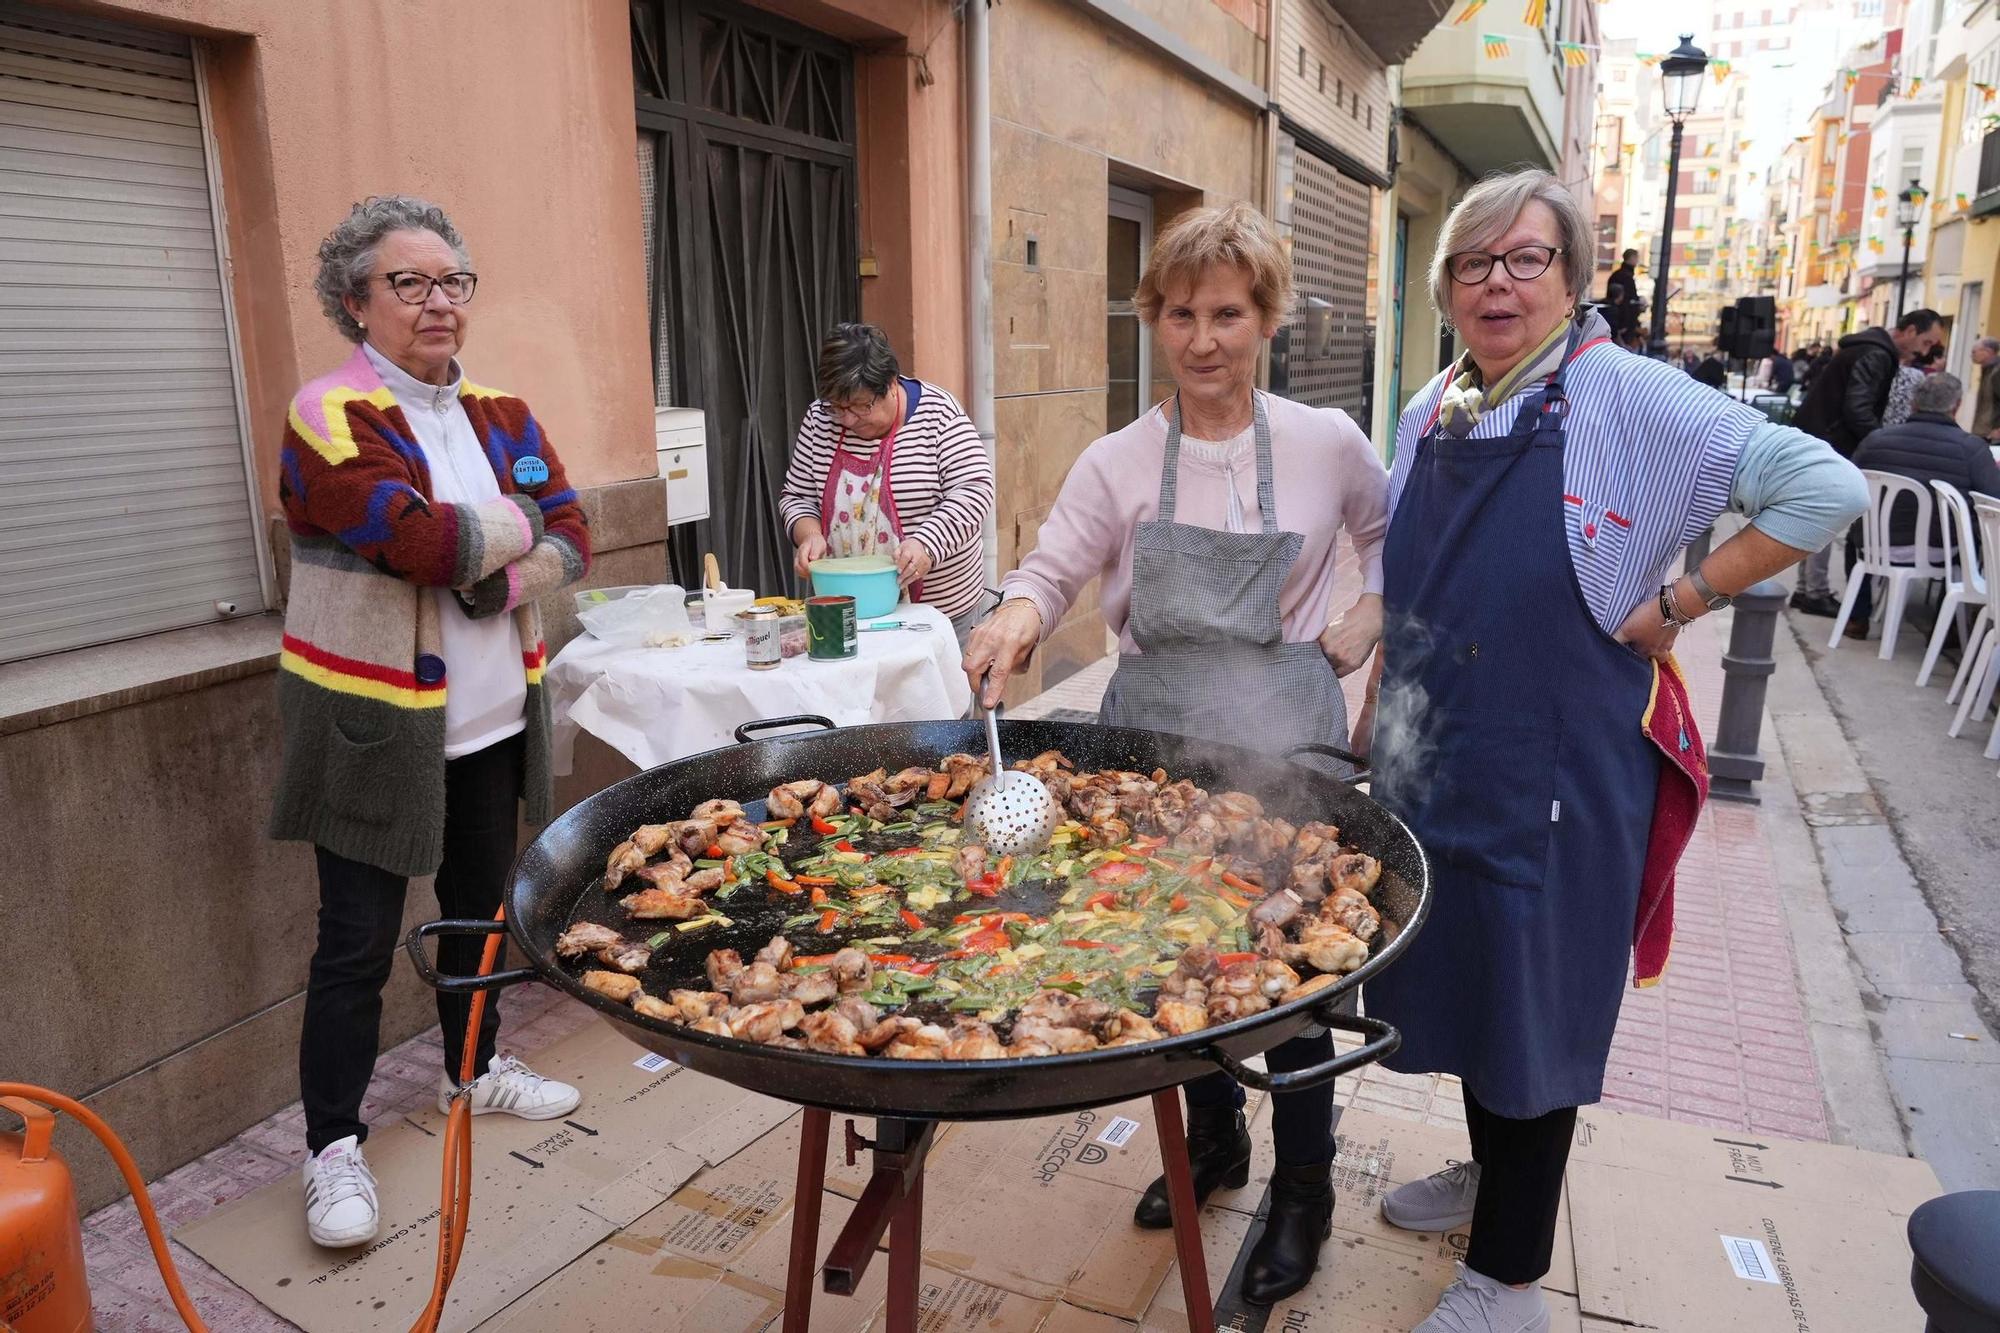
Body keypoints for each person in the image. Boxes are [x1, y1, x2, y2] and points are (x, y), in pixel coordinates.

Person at [1351, 167, 1866, 1333]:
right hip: (1443, 754)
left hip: (1559, 764)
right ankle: (1495, 1192)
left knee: (1536, 1000)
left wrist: (1683, 595)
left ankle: (1508, 1284)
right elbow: (1414, 581)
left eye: (1525, 258)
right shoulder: (1436, 403)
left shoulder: (1623, 395)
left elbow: (1818, 486)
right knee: (1472, 982)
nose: (1497, 282)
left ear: (1573, 277)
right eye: (1473, 261)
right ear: (1443, 286)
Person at [963, 201, 1388, 1304]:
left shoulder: (1323, 441)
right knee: (1169, 948)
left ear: (1266, 318)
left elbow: (1396, 536)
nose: (1204, 339)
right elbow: (1052, 565)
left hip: (1283, 728)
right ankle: (1213, 1146)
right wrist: (1014, 616)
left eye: (1229, 314)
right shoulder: (1117, 459)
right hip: (1152, 732)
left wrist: (1371, 611)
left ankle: (1303, 1186)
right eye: (1182, 313)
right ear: (1153, 318)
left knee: (1288, 970)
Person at [271, 196, 592, 1248]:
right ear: (355, 302)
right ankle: (331, 1147)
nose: (437, 302)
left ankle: (470, 1071)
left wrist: (499, 579)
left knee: (475, 911)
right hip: (375, 727)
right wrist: (511, 528)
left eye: (452, 280)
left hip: (496, 720)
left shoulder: (501, 408)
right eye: (408, 283)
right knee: (355, 945)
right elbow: (416, 544)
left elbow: (575, 533)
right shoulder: (327, 413)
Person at [780, 323, 996, 643]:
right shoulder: (819, 420)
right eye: (839, 407)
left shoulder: (938, 415)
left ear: (892, 385)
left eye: (861, 405)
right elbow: (796, 495)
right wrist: (809, 534)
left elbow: (975, 490)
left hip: (940, 619)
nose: (849, 419)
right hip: (844, 615)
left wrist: (927, 544)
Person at [1788, 309, 1944, 616]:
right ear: (1910, 330)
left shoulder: (1866, 347)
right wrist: (1881, 443)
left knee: (1814, 517)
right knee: (1824, 519)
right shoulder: (1877, 354)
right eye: (1926, 342)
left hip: (1820, 440)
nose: (1926, 352)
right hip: (1831, 445)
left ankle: (1808, 589)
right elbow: (1857, 408)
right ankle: (1813, 592)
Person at [1844, 372, 2000, 634]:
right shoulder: (1971, 448)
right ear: (1957, 405)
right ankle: (1945, 627)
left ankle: (1857, 617)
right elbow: (1992, 501)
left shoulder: (1875, 440)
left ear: (1913, 403)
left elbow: (1849, 486)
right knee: (1969, 538)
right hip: (1940, 550)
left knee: (1853, 536)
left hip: (1873, 546)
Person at [1603, 247, 1640, 337]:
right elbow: (1629, 301)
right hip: (1624, 323)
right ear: (1632, 258)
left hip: (1613, 319)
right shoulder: (1627, 277)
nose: (1637, 261)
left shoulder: (1616, 275)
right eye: (1636, 258)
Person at [1971, 337, 2000, 441]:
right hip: (1983, 433)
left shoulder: (1997, 372)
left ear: (1988, 352)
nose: (1972, 355)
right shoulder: (1987, 371)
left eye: (1974, 351)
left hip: (1991, 435)